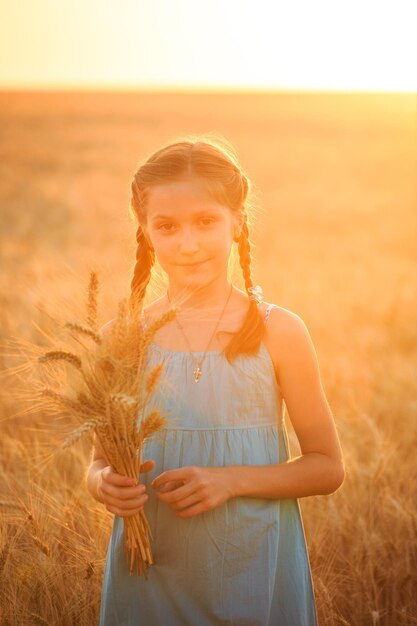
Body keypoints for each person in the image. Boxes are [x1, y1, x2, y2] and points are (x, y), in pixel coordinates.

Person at [86, 135, 345, 626]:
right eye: (167, 226)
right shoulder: (118, 340)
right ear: (145, 233)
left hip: (254, 567)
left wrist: (231, 480)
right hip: (149, 573)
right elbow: (97, 461)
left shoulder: (279, 331)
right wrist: (103, 484)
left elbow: (328, 467)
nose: (188, 244)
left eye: (206, 221)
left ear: (237, 223)